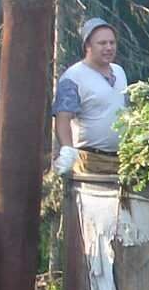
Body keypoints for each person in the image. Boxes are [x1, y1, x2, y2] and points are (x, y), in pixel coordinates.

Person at [52, 17, 128, 177]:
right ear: (87, 46)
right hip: (89, 161)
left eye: (112, 43)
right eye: (102, 43)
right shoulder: (73, 77)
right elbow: (63, 119)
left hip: (121, 160)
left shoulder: (119, 72)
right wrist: (67, 152)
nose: (109, 48)